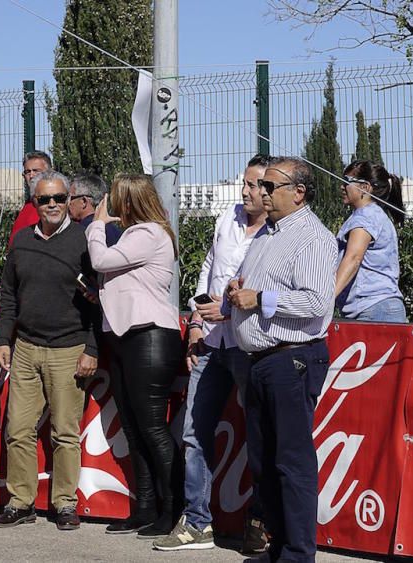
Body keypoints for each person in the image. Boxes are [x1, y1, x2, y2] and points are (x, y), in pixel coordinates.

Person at [152, 155, 270, 553]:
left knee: (260, 435)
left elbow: (269, 291)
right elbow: (209, 266)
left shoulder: (276, 232)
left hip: (249, 344)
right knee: (193, 432)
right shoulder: (227, 217)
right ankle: (198, 522)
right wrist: (197, 321)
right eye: (246, 183)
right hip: (211, 342)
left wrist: (231, 308)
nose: (247, 191)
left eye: (255, 184)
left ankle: (262, 521)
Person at [223, 156, 338, 562]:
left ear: (299, 192)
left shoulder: (313, 238)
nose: (263, 193)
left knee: (291, 462)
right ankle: (278, 547)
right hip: (260, 359)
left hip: (292, 359)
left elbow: (316, 302)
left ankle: (298, 553)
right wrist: (241, 288)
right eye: (263, 186)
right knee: (263, 462)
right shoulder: (267, 234)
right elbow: (260, 288)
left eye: (270, 187)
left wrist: (260, 298)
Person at [0, 171, 99, 531]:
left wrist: (91, 348)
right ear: (33, 203)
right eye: (43, 199)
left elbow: (101, 301)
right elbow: (8, 294)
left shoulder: (86, 241)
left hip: (70, 348)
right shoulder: (21, 240)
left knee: (65, 433)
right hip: (25, 347)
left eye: (58, 198)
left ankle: (65, 504)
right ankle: (20, 502)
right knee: (18, 429)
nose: (52, 205)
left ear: (70, 199)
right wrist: (3, 339)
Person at [87, 174, 182, 538]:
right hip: (127, 337)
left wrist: (96, 226)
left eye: (113, 199)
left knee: (153, 427)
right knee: (134, 427)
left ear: (128, 201)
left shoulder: (149, 233)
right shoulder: (134, 233)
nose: (108, 205)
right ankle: (144, 507)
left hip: (150, 335)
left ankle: (173, 509)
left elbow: (101, 259)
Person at [334, 160, 407, 323]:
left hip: (373, 311)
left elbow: (353, 258)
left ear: (365, 187)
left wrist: (326, 299)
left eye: (346, 181)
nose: (341, 186)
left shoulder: (365, 217)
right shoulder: (373, 214)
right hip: (377, 309)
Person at [9, 151, 53, 246]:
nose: (31, 175)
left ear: (50, 173)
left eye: (36, 170)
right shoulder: (28, 205)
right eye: (27, 172)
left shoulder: (56, 205)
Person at [68, 173, 121, 246]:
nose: (66, 203)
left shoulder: (81, 232)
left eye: (69, 198)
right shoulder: (116, 231)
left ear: (84, 201)